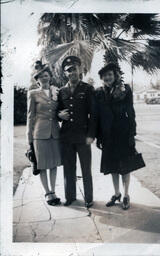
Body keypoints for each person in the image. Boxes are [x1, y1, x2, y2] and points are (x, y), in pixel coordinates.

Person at [95, 63, 145, 210]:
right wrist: (99, 137)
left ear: (115, 75)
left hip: (123, 133)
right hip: (107, 135)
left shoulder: (125, 89)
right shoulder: (99, 92)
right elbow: (97, 117)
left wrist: (132, 133)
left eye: (110, 74)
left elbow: (131, 112)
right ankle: (116, 193)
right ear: (102, 78)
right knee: (112, 166)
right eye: (104, 76)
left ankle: (126, 195)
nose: (107, 77)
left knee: (125, 166)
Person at [57, 56, 96, 208]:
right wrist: (58, 115)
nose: (72, 72)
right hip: (66, 137)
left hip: (82, 136)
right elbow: (57, 111)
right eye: (68, 70)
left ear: (79, 70)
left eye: (74, 69)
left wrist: (91, 135)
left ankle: (88, 198)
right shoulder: (61, 91)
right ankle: (70, 197)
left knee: (86, 169)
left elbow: (94, 114)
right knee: (68, 169)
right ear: (65, 73)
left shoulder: (87, 89)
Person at [26, 61, 62, 206]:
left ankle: (53, 191)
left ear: (50, 77)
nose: (44, 78)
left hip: (55, 133)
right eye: (41, 76)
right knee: (42, 165)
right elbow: (30, 116)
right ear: (37, 79)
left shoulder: (56, 92)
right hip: (39, 134)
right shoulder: (33, 93)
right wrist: (29, 139)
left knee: (53, 164)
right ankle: (47, 193)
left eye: (46, 75)